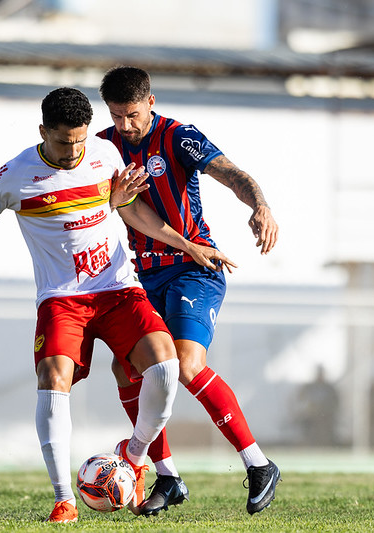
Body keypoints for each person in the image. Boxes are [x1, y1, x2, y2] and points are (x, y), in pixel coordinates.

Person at [0, 87, 234, 523]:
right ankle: (63, 499)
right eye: (63, 142)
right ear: (43, 132)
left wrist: (187, 246)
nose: (73, 152)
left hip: (119, 289)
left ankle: (136, 456)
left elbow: (130, 209)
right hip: (62, 300)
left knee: (165, 367)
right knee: (53, 377)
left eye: (80, 141)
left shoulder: (105, 154)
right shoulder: (14, 176)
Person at [98, 66, 281, 516]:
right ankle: (167, 476)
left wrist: (260, 205)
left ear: (151, 103)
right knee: (126, 372)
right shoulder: (103, 147)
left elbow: (232, 174)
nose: (125, 125)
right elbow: (116, 208)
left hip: (194, 267)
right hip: (143, 276)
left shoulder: (179, 137)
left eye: (133, 114)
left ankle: (258, 465)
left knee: (185, 363)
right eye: (117, 115)